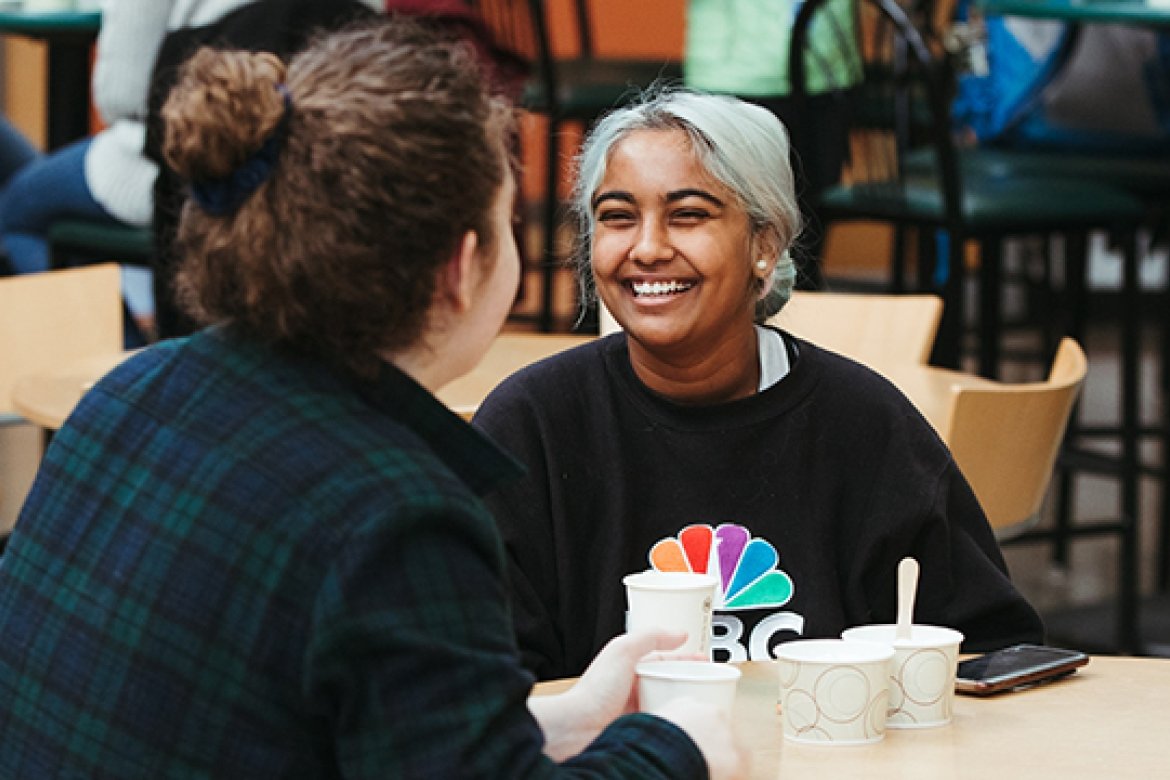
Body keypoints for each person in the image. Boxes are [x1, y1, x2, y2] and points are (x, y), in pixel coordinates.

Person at [0, 23, 745, 779]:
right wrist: (679, 748)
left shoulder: (131, 394)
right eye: (509, 221)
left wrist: (567, 718)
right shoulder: (397, 517)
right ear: (460, 268)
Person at [472, 87, 1045, 682]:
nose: (646, 248)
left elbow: (987, 652)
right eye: (616, 217)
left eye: (688, 214)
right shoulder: (531, 427)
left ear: (765, 244)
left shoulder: (868, 429)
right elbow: (485, 682)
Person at [684, 0, 863, 289]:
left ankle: (800, 316)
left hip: (825, 68)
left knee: (808, 224)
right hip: (732, 71)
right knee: (726, 226)